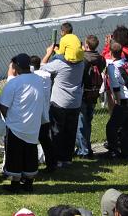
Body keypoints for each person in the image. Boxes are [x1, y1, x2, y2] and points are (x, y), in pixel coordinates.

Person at [0, 53, 47, 193]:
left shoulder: (14, 83)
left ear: (16, 67)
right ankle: (28, 183)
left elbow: (4, 106)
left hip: (16, 126)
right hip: (33, 125)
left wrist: (8, 118)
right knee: (30, 154)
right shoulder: (38, 80)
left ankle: (15, 184)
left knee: (15, 155)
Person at [40, 38, 85, 167]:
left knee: (57, 132)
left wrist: (49, 53)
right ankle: (67, 158)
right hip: (75, 103)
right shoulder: (81, 63)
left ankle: (58, 159)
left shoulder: (59, 64)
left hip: (59, 103)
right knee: (71, 131)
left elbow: (42, 67)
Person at [105, 42, 128, 159]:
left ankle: (113, 152)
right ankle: (127, 152)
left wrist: (117, 101)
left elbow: (115, 87)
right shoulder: (124, 62)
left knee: (111, 127)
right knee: (126, 125)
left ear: (110, 52)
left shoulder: (112, 67)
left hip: (124, 99)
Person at [76, 35, 104, 158]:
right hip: (94, 93)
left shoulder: (83, 59)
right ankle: (87, 147)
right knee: (88, 121)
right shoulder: (101, 59)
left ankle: (84, 151)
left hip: (83, 94)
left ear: (86, 45)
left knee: (81, 123)